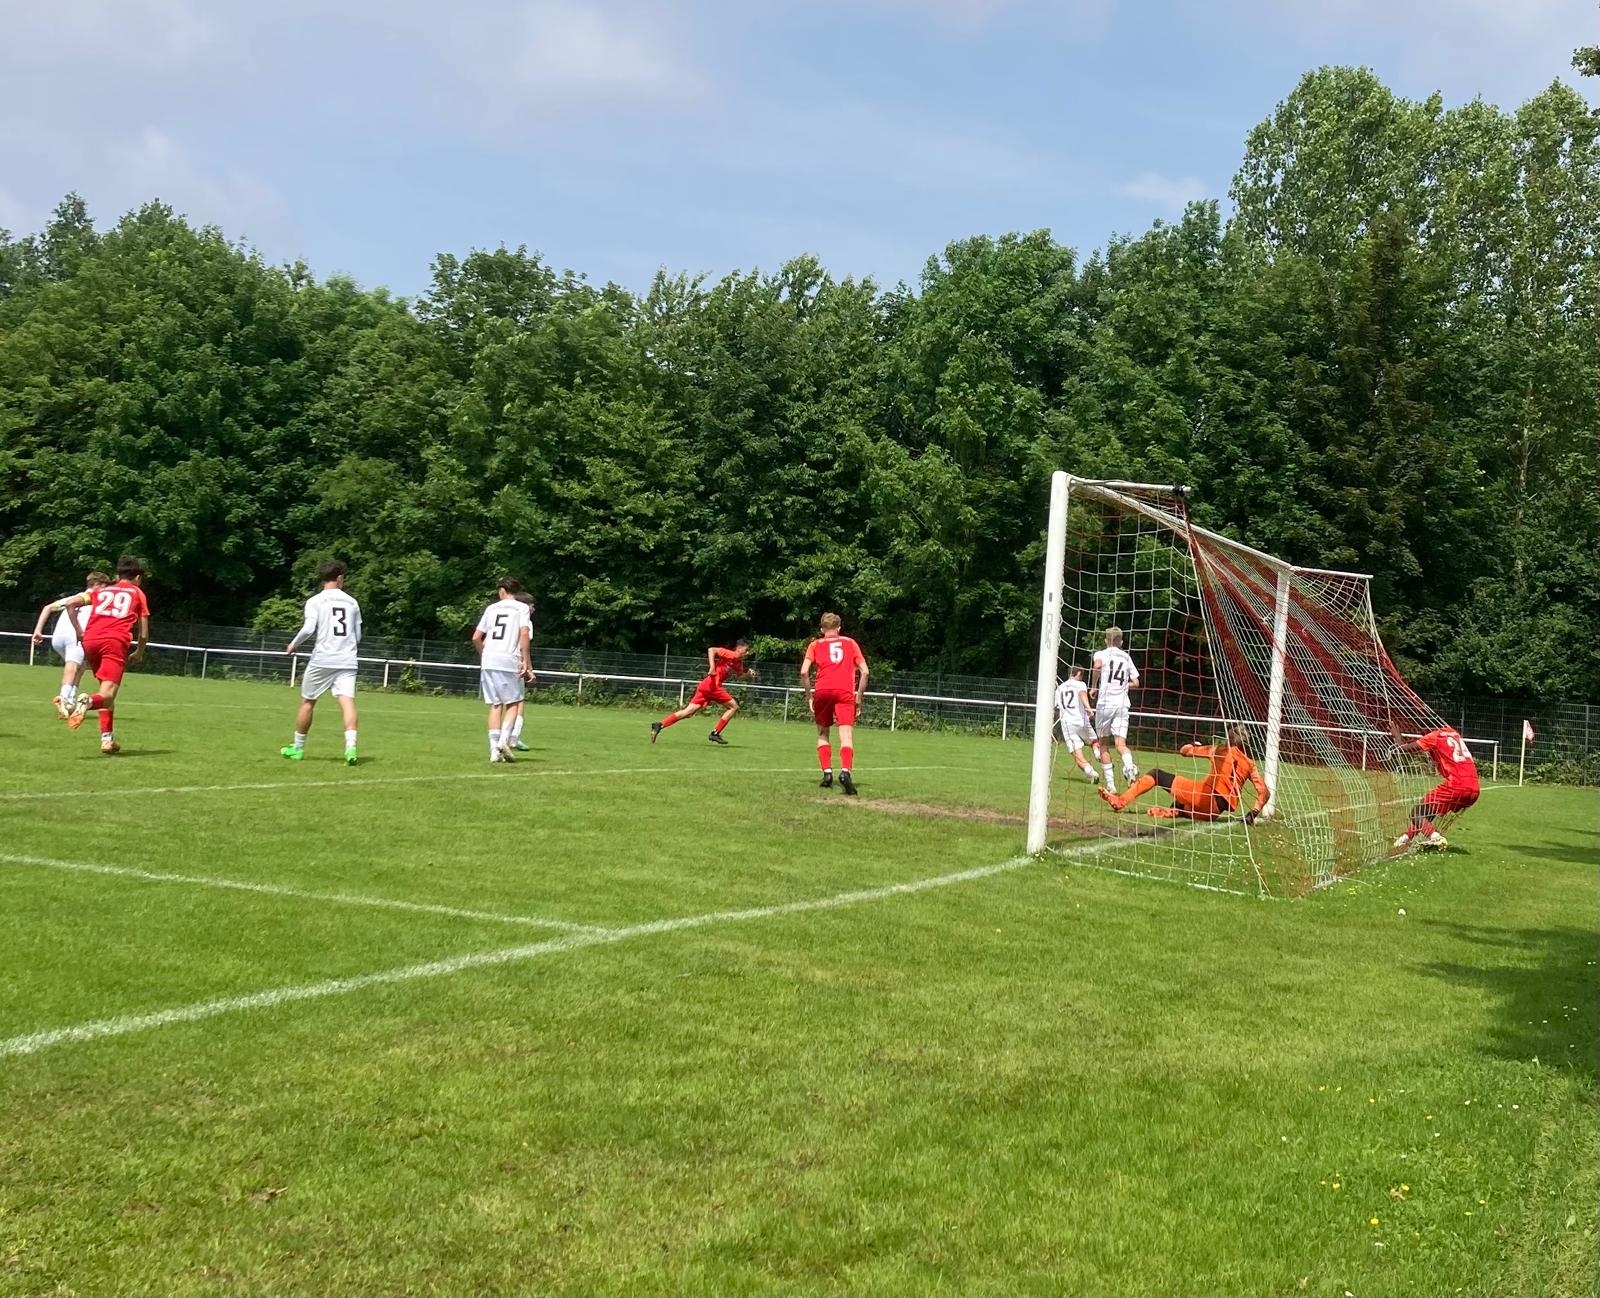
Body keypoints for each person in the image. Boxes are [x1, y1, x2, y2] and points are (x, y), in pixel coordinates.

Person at [62, 557, 150, 755]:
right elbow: (143, 633)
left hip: (90, 641)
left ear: (118, 576)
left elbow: (70, 603)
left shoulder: (101, 591)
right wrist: (139, 652)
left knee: (105, 691)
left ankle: (107, 740)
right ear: (138, 577)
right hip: (114, 642)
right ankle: (87, 702)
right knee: (106, 694)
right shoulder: (137, 593)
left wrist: (79, 631)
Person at [280, 560, 362, 765]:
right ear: (340, 578)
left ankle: (297, 748)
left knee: (308, 702)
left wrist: (293, 644)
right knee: (347, 702)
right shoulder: (352, 602)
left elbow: (309, 629)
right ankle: (351, 748)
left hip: (323, 658)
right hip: (347, 660)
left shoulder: (315, 601)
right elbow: (358, 635)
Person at [1100, 726, 1270, 823]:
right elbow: (1264, 792)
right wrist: (1253, 813)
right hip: (1214, 812)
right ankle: (1174, 812)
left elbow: (1184, 751)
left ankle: (1120, 801)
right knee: (1180, 803)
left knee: (1156, 774)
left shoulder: (1219, 750)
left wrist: (1193, 744)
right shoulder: (1250, 764)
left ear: (1229, 739)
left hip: (1205, 797)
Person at [801, 613, 869, 795]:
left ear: (822, 629)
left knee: (823, 733)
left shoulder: (815, 645)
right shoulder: (850, 643)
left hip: (822, 691)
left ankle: (827, 774)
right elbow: (865, 672)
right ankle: (845, 772)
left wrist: (809, 696)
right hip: (844, 692)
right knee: (846, 735)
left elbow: (804, 672)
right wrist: (858, 699)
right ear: (839, 628)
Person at [32, 570, 110, 719]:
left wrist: (38, 630)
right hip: (75, 635)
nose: (107, 590)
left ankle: (71, 701)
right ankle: (64, 698)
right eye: (105, 586)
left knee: (80, 666)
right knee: (73, 667)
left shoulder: (74, 597)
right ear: (97, 585)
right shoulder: (96, 599)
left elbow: (47, 608)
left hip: (58, 637)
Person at [472, 577, 534, 764]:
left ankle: (493, 751)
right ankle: (503, 741)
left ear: (502, 590)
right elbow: (524, 633)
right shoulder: (521, 608)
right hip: (508, 659)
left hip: (489, 659)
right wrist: (525, 661)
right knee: (514, 703)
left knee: (495, 704)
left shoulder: (491, 608)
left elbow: (476, 637)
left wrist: (484, 654)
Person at [651, 639, 757, 746]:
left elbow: (739, 676)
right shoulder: (730, 654)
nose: (748, 653)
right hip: (713, 685)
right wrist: (712, 666)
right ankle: (715, 733)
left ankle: (659, 725)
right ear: (739, 648)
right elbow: (711, 650)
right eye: (746, 650)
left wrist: (747, 675)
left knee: (688, 712)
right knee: (733, 707)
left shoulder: (739, 663)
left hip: (706, 685)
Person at [1391, 726, 1479, 852]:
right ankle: (1405, 838)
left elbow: (1404, 749)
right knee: (1428, 812)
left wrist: (1397, 736)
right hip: (1474, 787)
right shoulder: (1453, 733)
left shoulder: (1434, 736)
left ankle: (1436, 837)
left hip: (1456, 785)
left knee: (1416, 813)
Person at [1090, 625, 1140, 790]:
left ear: (1106, 640)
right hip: (1122, 705)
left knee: (1103, 744)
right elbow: (1136, 682)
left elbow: (1097, 666)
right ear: (1121, 642)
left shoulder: (1101, 654)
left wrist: (1094, 686)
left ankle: (1111, 786)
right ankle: (1129, 767)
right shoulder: (1126, 657)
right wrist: (1124, 684)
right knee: (1120, 744)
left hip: (1105, 704)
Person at [1054, 664, 1103, 785]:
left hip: (1068, 724)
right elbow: (1082, 694)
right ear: (1078, 674)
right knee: (1094, 741)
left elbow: (1056, 706)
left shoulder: (1060, 688)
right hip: (1082, 720)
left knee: (1076, 753)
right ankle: (1098, 754)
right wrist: (1088, 707)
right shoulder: (1080, 684)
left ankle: (1092, 773)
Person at [505, 591, 538, 752]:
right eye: (532, 606)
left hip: (504, 661)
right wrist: (529, 668)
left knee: (504, 702)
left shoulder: (509, 618)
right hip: (517, 662)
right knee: (518, 701)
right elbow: (524, 647)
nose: (533, 609)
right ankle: (513, 737)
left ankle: (507, 736)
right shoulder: (526, 622)